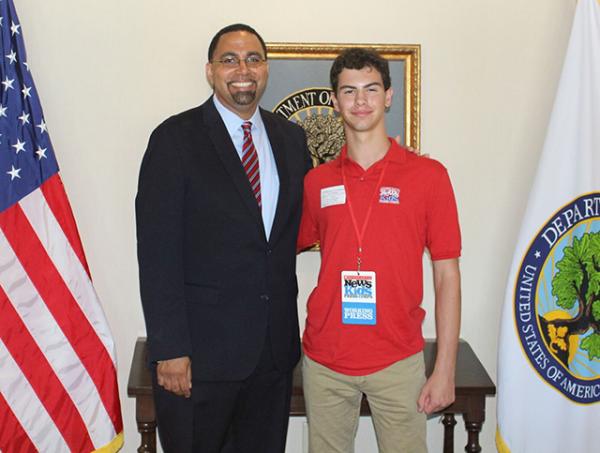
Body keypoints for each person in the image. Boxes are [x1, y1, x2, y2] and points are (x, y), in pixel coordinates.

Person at [136, 23, 311, 453]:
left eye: (253, 59)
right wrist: (170, 349)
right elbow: (157, 253)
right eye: (229, 60)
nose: (242, 69)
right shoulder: (174, 140)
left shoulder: (291, 140)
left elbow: (294, 234)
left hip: (272, 357)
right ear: (210, 71)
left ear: (266, 69)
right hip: (198, 361)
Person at [297, 48, 462, 453]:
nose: (361, 101)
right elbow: (278, 248)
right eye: (349, 91)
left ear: (389, 95)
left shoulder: (429, 176)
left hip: (398, 359)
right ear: (334, 101)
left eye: (371, 89)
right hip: (325, 360)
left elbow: (447, 275)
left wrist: (445, 368)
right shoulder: (316, 182)